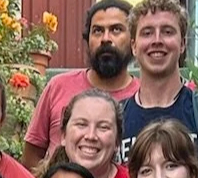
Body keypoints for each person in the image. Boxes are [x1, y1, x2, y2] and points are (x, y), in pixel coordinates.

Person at [120, 0, 198, 167]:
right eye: (147, 33)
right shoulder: (115, 121)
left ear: (183, 44)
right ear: (134, 46)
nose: (157, 40)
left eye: (167, 32)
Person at [21, 0, 139, 167]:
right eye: (97, 31)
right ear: (87, 39)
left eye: (116, 30)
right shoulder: (58, 87)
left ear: (133, 40)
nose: (105, 38)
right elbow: (31, 156)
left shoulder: (143, 97)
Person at [56, 89, 137, 178]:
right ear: (63, 135)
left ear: (117, 142)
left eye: (103, 127)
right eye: (81, 124)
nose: (91, 136)